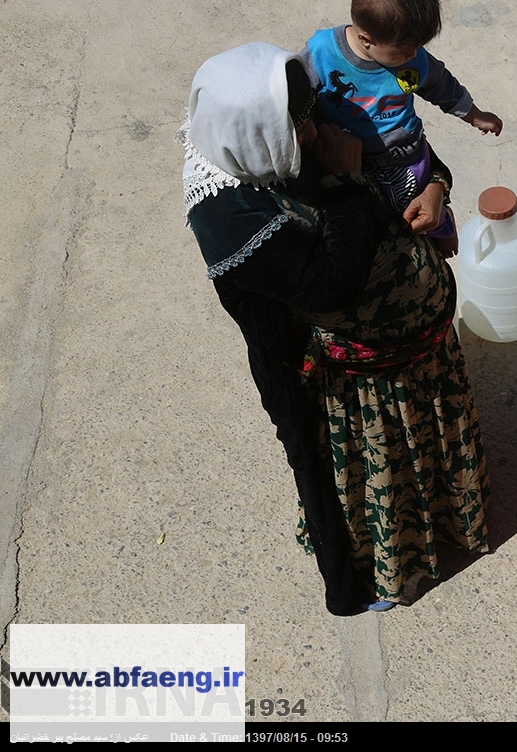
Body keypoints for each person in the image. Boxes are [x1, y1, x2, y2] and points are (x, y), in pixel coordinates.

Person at [178, 41, 489, 615]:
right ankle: (365, 579)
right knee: (357, 479)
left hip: (416, 366)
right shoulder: (233, 222)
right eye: (300, 123)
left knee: (416, 458)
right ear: (259, 132)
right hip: (354, 389)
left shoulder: (281, 136)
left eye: (308, 115)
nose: (316, 132)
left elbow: (399, 146)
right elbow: (332, 285)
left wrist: (435, 184)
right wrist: (347, 183)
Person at [302, 0, 503, 258]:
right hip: (351, 158)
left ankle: (441, 231)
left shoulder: (413, 60)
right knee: (376, 227)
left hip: (406, 154)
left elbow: (442, 87)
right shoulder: (321, 52)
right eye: (405, 51)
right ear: (366, 40)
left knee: (424, 203)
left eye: (418, 47)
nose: (415, 55)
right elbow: (296, 92)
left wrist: (476, 116)